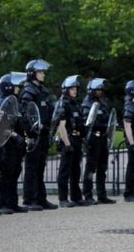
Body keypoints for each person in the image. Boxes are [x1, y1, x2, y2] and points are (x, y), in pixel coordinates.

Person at [20, 59, 57, 211]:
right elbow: (26, 113)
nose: (43, 74)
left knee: (40, 167)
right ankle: (29, 199)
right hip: (34, 135)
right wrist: (31, 129)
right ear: (32, 73)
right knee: (31, 167)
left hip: (44, 133)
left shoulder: (43, 90)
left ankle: (41, 198)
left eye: (43, 72)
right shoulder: (29, 90)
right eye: (40, 72)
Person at [0, 72, 29, 214]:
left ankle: (12, 202)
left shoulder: (15, 101)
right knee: (6, 173)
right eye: (16, 86)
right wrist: (14, 135)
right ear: (8, 87)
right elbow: (0, 124)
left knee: (15, 172)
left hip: (16, 143)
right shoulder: (1, 101)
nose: (19, 89)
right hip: (6, 142)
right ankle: (2, 203)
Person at [82, 78, 116, 205]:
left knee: (103, 167)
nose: (100, 91)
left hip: (103, 139)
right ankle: (88, 195)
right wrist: (102, 126)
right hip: (93, 138)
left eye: (101, 89)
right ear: (92, 90)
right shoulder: (87, 103)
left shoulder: (103, 102)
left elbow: (109, 119)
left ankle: (102, 195)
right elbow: (88, 121)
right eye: (97, 89)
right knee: (90, 168)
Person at [56, 75, 86, 207]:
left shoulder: (75, 104)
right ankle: (63, 199)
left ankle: (76, 197)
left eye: (75, 89)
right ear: (65, 90)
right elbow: (61, 125)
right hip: (68, 140)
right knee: (65, 171)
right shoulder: (63, 104)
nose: (74, 91)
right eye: (72, 89)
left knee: (76, 171)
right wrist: (67, 144)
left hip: (77, 140)